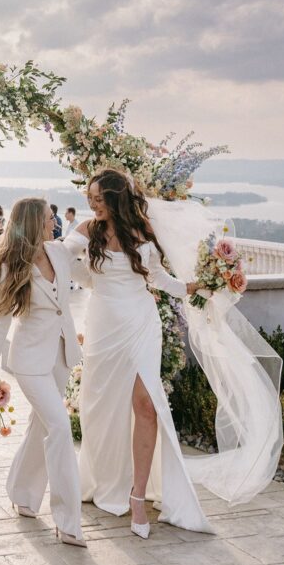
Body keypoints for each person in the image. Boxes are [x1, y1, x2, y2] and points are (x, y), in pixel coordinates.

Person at [63, 169, 208, 536]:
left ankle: (138, 497)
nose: (92, 205)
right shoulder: (87, 231)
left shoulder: (143, 231)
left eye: (98, 199)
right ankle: (104, 478)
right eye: (90, 199)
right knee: (100, 409)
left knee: (147, 405)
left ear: (115, 198)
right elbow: (64, 261)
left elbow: (159, 279)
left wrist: (196, 287)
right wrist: (83, 273)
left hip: (142, 324)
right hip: (102, 326)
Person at [0, 198, 86, 547]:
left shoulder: (57, 251)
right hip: (29, 362)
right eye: (49, 218)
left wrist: (111, 214)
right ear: (33, 223)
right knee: (58, 426)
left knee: (41, 425)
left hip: (61, 356)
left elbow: (82, 236)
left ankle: (21, 493)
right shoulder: (13, 266)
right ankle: (68, 521)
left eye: (54, 218)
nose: (54, 223)